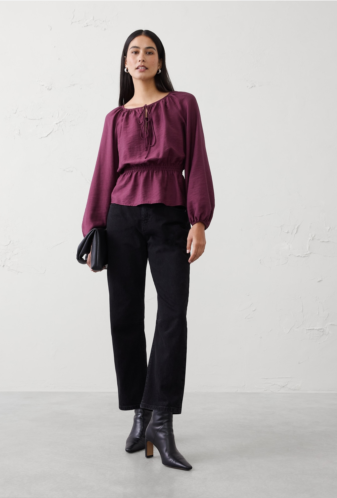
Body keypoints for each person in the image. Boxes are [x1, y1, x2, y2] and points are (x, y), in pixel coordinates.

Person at [81, 29, 215, 471]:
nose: (141, 57)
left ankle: (161, 420)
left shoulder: (183, 104)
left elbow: (197, 162)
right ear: (125, 63)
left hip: (170, 217)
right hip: (121, 219)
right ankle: (140, 412)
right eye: (134, 51)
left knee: (173, 313)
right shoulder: (114, 118)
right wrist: (94, 228)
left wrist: (199, 220)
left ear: (160, 61)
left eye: (150, 51)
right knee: (124, 316)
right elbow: (104, 173)